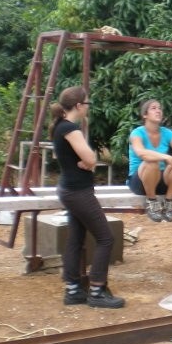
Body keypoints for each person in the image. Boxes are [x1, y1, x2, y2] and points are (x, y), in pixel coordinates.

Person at [49, 86, 125, 309]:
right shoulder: (70, 128)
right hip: (78, 191)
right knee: (106, 238)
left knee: (76, 238)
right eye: (87, 103)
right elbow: (91, 159)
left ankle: (73, 290)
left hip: (70, 189)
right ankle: (97, 291)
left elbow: (70, 158)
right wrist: (88, 162)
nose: (88, 107)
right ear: (79, 105)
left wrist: (85, 162)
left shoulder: (59, 127)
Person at [127, 99, 172, 223]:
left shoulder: (167, 133)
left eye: (160, 108)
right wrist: (167, 157)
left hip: (162, 180)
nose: (158, 111)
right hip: (140, 181)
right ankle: (151, 202)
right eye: (153, 108)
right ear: (145, 115)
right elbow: (142, 153)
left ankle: (168, 202)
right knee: (151, 162)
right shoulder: (137, 133)